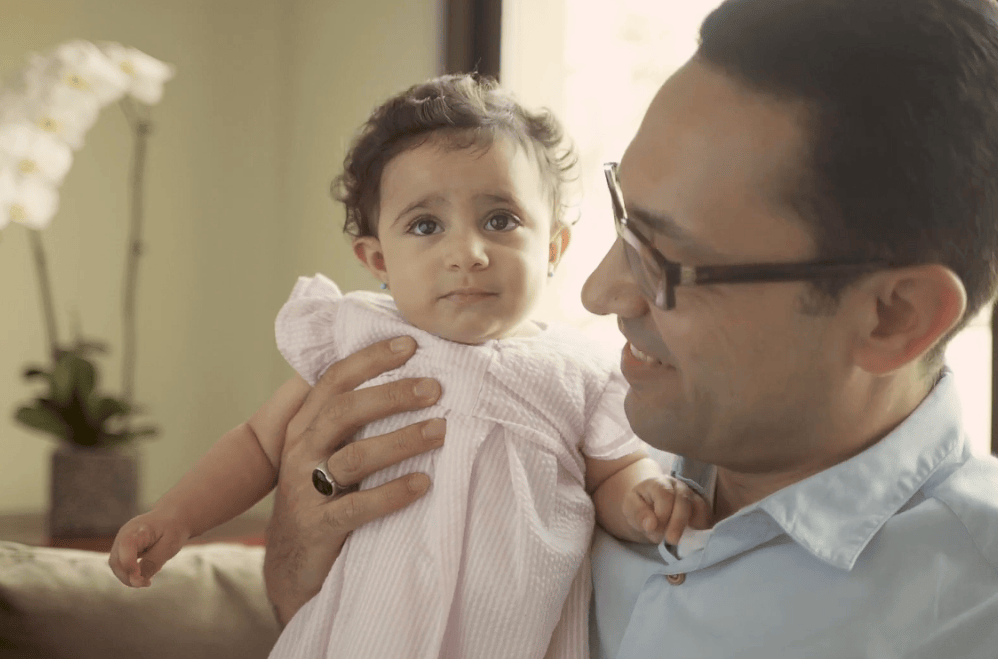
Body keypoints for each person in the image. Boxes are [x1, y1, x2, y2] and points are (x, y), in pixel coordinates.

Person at [260, 0, 998, 657]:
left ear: (893, 316)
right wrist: (300, 547)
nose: (597, 292)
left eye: (667, 260)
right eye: (624, 221)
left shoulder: (974, 610)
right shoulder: (574, 434)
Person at [107, 74, 711, 658]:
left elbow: (614, 473)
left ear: (552, 245)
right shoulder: (357, 338)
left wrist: (645, 501)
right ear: (378, 260)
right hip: (365, 634)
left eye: (500, 220)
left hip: (513, 638)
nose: (467, 253)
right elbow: (258, 444)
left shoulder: (580, 371)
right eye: (426, 225)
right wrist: (176, 516)